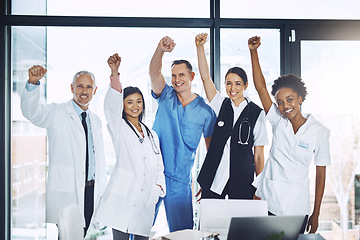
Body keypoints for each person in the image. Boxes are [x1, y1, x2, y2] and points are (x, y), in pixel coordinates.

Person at [248, 36, 331, 233]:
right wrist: (253, 51)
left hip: (296, 207)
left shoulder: (319, 132)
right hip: (267, 202)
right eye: (280, 102)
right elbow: (260, 88)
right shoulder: (278, 121)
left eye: (290, 99)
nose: (285, 106)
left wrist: (316, 212)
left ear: (300, 98)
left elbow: (320, 175)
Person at [20, 65, 107, 236]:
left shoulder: (95, 121)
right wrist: (33, 83)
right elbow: (32, 112)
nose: (84, 90)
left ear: (95, 90)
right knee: (69, 235)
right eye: (80, 86)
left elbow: (98, 160)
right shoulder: (56, 112)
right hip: (68, 191)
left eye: (89, 86)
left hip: (91, 191)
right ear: (72, 88)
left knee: (81, 233)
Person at [93, 54, 166, 240]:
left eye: (139, 101)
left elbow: (159, 165)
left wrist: (157, 189)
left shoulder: (151, 134)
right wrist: (115, 73)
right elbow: (110, 107)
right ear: (123, 105)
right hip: (122, 197)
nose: (135, 106)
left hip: (145, 199)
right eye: (129, 102)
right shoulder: (119, 127)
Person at [149, 36, 217, 232]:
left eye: (181, 75)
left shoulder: (205, 111)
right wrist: (160, 49)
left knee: (183, 234)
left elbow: (210, 151)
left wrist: (207, 181)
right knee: (140, 229)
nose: (177, 80)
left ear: (192, 77)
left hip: (180, 182)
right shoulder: (166, 95)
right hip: (153, 176)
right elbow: (153, 72)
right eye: (174, 76)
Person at [195, 33, 268, 200]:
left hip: (242, 180)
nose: (232, 88)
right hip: (214, 178)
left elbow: (258, 155)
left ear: (245, 85)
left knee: (240, 224)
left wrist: (260, 188)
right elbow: (205, 78)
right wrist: (200, 48)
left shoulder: (256, 113)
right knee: (211, 224)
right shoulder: (221, 104)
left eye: (237, 83)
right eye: (228, 83)